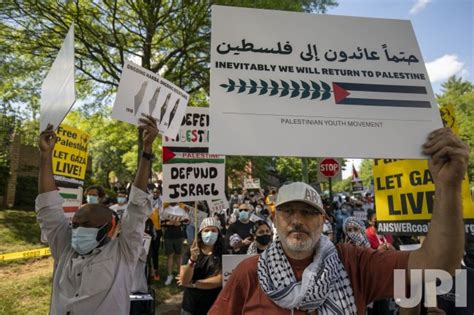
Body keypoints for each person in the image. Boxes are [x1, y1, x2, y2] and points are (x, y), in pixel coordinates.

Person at [209, 128, 468, 314]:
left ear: (323, 221)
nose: (297, 220)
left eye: (308, 212)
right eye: (289, 212)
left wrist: (448, 185)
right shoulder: (248, 273)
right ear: (275, 219)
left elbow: (438, 264)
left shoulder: (355, 263)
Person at [36, 115, 158, 315]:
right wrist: (45, 155)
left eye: (87, 224)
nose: (77, 230)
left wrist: (147, 150)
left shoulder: (124, 253)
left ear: (110, 229)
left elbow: (136, 206)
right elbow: (48, 207)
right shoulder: (64, 247)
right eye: (75, 224)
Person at [177, 217, 224, 315]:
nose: (210, 233)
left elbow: (220, 280)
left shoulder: (223, 253)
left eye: (213, 230)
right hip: (191, 307)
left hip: (215, 307)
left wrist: (194, 283)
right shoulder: (190, 252)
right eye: (206, 230)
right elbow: (184, 280)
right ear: (200, 233)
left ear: (218, 233)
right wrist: (192, 259)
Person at [161, 203, 189, 286]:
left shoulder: (182, 209)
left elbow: (187, 221)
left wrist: (180, 223)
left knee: (179, 255)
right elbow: (161, 222)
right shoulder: (165, 210)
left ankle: (180, 275)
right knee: (170, 255)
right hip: (168, 234)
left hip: (179, 234)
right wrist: (168, 223)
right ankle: (169, 275)